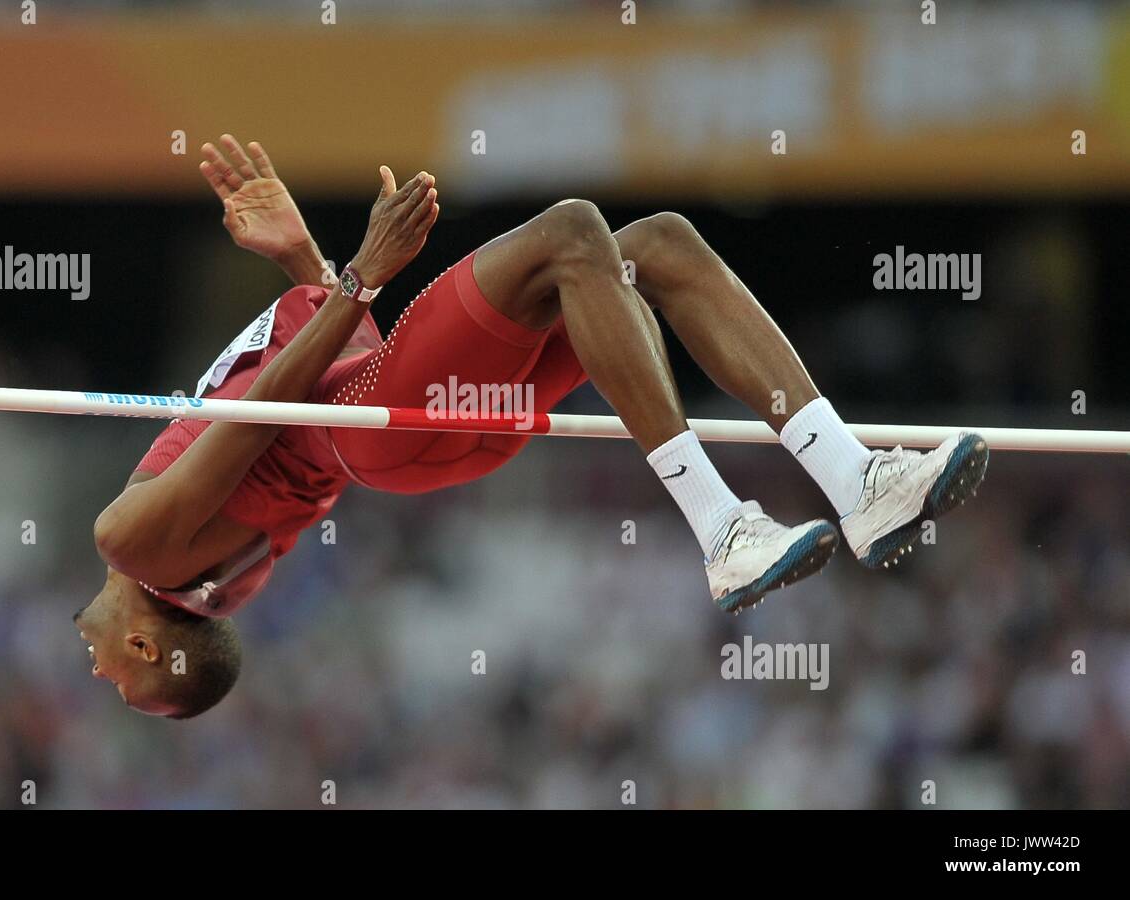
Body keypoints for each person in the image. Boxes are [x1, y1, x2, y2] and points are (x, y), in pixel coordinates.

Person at [74, 135, 988, 718]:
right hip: (386, 430)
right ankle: (721, 528)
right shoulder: (134, 544)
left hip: (420, 430)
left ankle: (855, 481)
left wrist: (301, 260)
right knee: (572, 231)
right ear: (150, 644)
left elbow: (302, 395)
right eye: (116, 679)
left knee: (655, 248)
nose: (95, 669)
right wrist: (353, 276)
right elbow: (266, 413)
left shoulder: (202, 576)